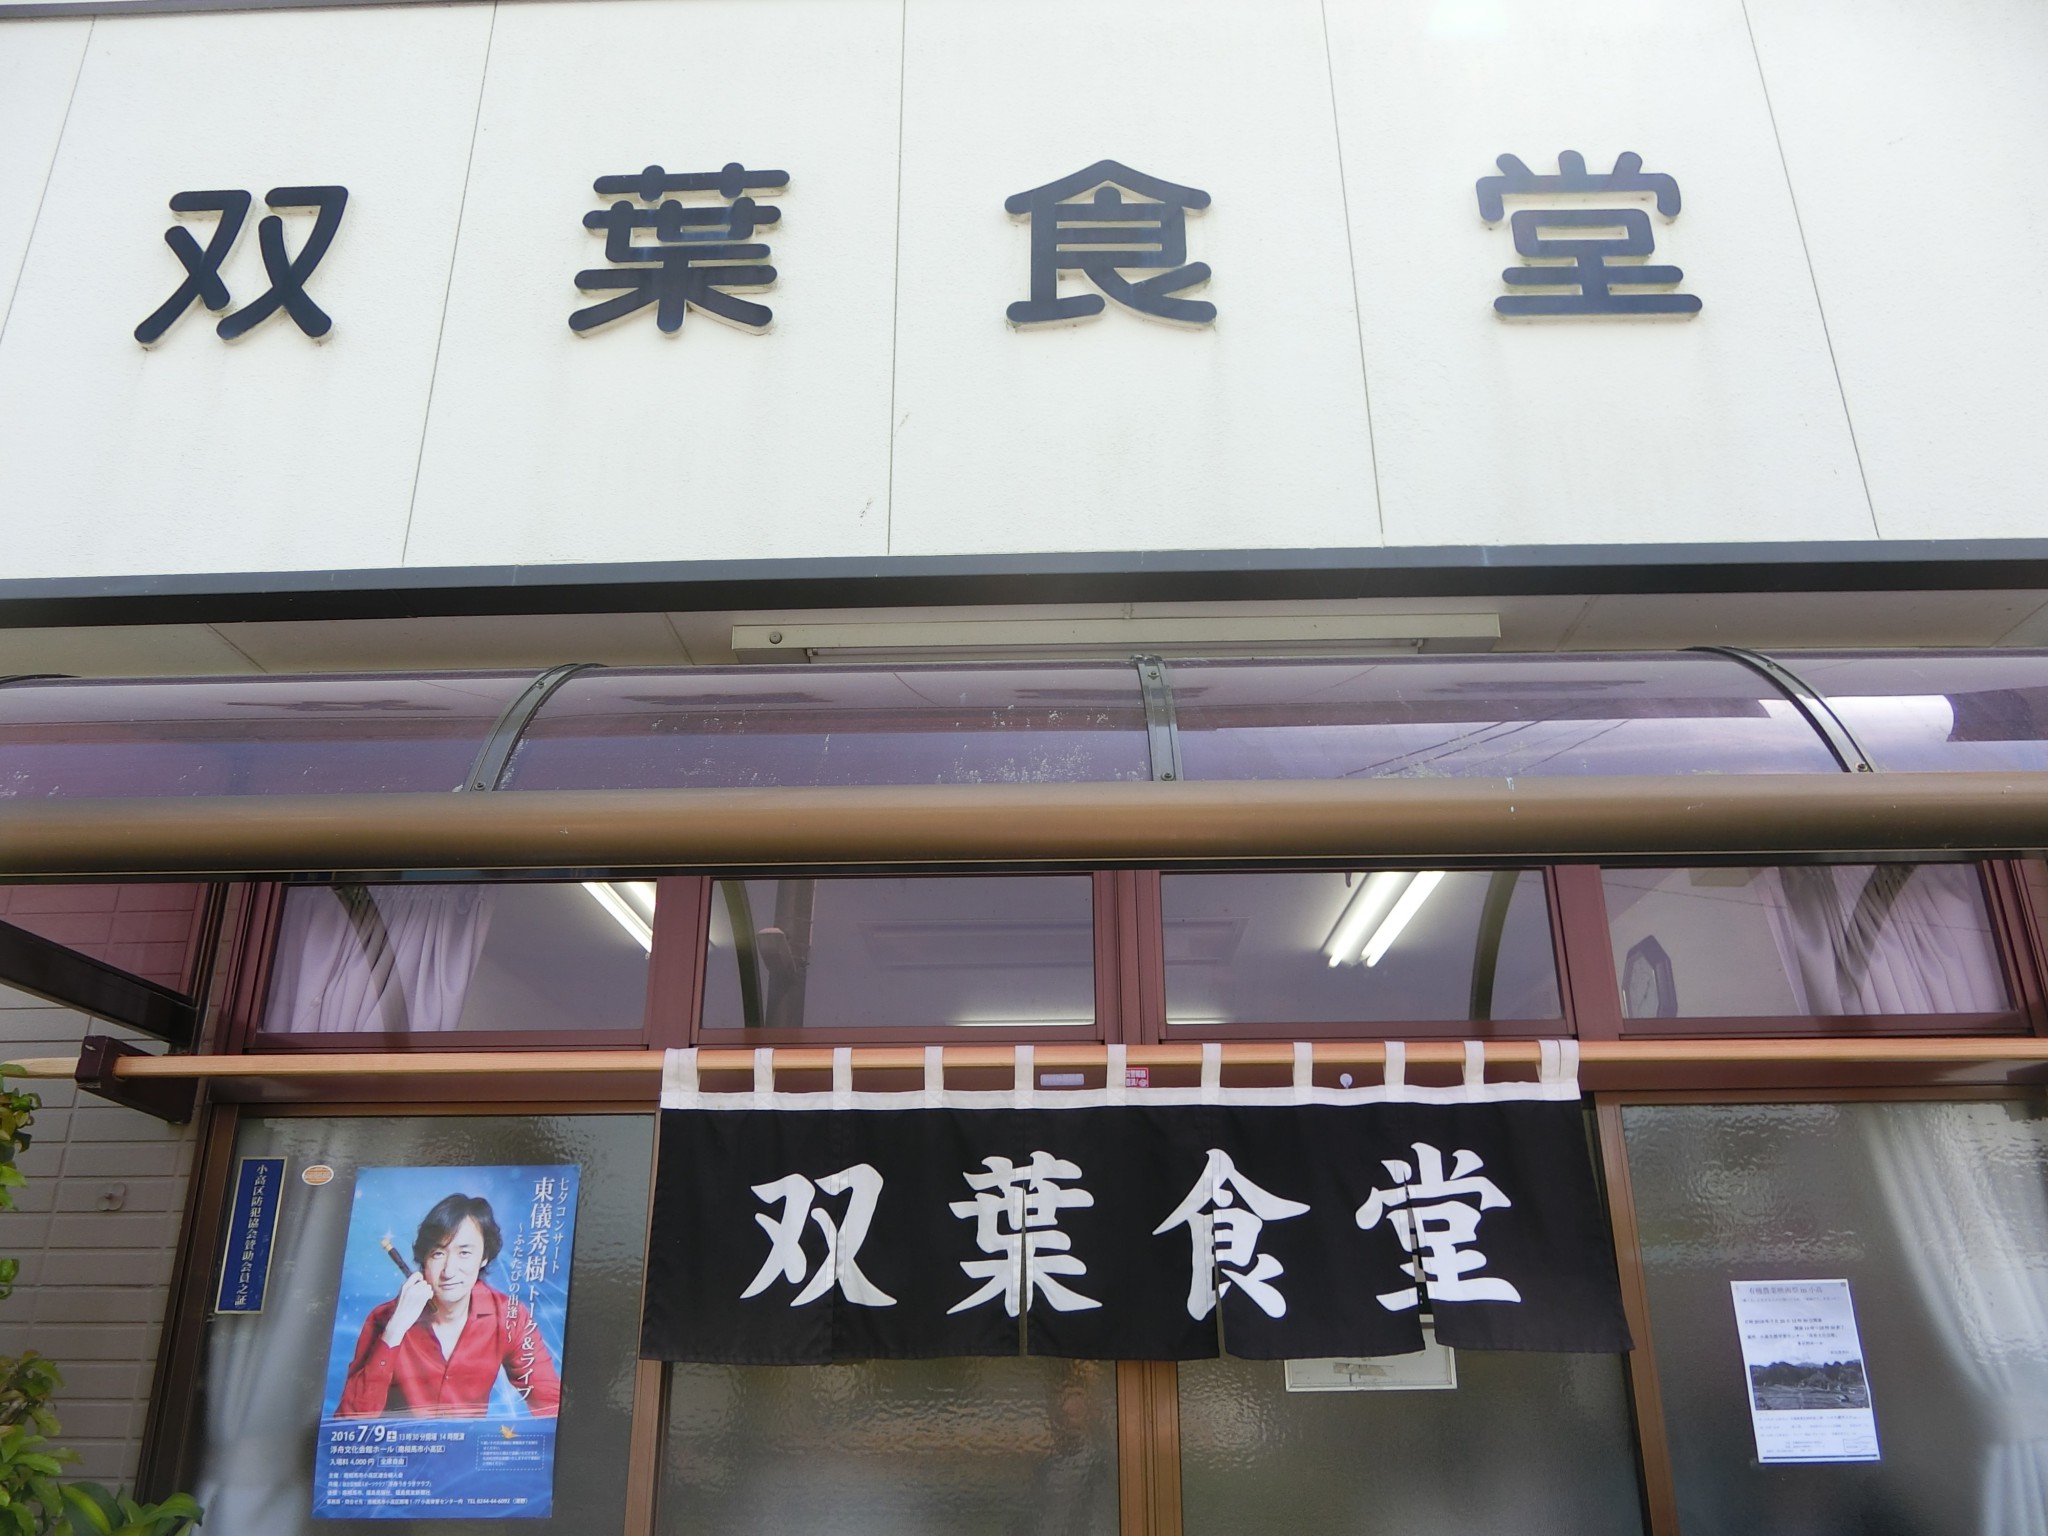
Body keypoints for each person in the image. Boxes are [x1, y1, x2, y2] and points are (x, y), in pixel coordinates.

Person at [336, 1193, 561, 1418]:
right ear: (424, 1259)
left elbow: (552, 1407)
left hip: (469, 1441)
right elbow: (348, 1422)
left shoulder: (509, 1316)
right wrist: (394, 1330)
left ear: (484, 1257)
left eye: (464, 1253)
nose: (449, 1271)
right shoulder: (383, 1318)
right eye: (438, 1253)